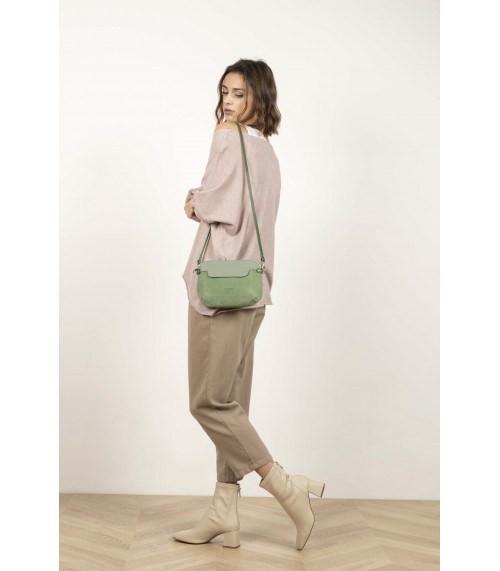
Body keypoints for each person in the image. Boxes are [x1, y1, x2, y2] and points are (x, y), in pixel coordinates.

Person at [173, 59, 326, 551]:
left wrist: (194, 201)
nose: (228, 103)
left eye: (239, 94)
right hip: (253, 289)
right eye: (224, 92)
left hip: (219, 290)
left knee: (208, 402)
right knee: (232, 402)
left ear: (259, 96)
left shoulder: (228, 137)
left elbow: (216, 203)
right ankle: (225, 510)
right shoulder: (267, 153)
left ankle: (286, 487)